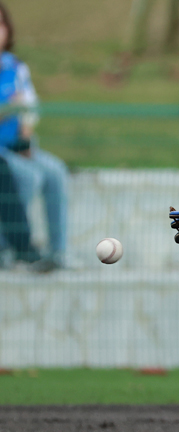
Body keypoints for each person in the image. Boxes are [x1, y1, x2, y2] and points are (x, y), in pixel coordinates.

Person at [0, 1, 71, 272]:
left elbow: (29, 108)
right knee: (27, 177)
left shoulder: (15, 67)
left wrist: (26, 134)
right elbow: (13, 108)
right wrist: (7, 111)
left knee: (54, 171)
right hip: (1, 154)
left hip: (17, 146)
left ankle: (58, 253)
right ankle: (6, 249)